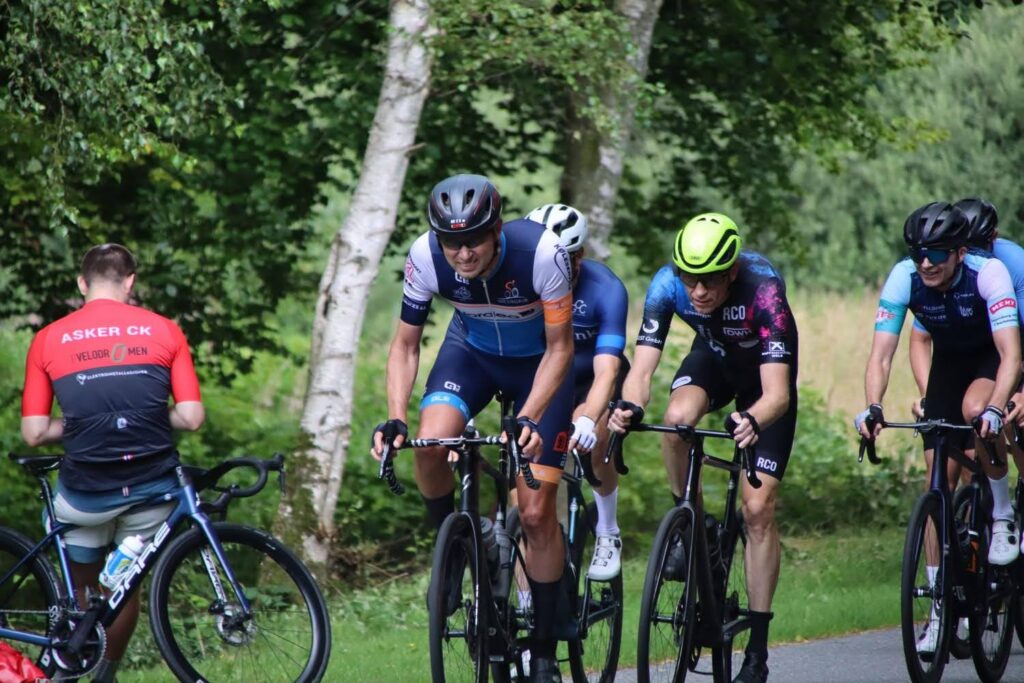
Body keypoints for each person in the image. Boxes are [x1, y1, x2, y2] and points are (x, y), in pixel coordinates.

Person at [371, 174, 574, 682]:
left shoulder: (542, 254)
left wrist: (529, 415)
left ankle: (544, 650)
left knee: (534, 513)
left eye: (474, 241)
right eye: (452, 243)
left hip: (538, 368)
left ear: (497, 229)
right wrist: (396, 417)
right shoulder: (425, 255)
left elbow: (561, 349)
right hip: (472, 357)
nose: (462, 254)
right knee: (430, 444)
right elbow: (405, 346)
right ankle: (457, 549)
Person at [609, 213, 798, 683]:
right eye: (689, 278)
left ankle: (756, 649)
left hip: (763, 382)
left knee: (757, 510)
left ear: (731, 271)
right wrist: (630, 405)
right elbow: (642, 369)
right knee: (676, 422)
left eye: (709, 280)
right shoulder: (666, 284)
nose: (697, 291)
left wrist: (752, 418)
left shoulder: (763, 291)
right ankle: (690, 524)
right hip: (713, 360)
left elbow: (778, 394)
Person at [21, 243, 205, 683]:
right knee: (121, 589)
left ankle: (70, 662)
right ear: (130, 282)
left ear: (82, 284)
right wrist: (141, 416)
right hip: (151, 490)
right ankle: (106, 674)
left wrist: (84, 423)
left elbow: (34, 431)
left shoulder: (48, 338)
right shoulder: (165, 330)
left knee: (83, 589)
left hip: (84, 495)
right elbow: (191, 418)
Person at [856, 201, 1021, 655]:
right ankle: (938, 608)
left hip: (991, 358)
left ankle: (1002, 515)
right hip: (949, 363)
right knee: (937, 482)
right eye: (918, 254)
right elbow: (881, 355)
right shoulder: (903, 277)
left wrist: (997, 407)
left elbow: (1011, 354)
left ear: (960, 252)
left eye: (936, 254)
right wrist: (873, 406)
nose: (925, 263)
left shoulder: (989, 274)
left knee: (976, 410)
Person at [525, 204, 630, 581]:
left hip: (592, 379)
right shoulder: (523, 286)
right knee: (523, 489)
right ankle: (527, 601)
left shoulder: (606, 290)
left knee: (593, 443)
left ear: (579, 257)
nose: (550, 268)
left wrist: (587, 418)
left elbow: (608, 371)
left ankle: (607, 530)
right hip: (546, 382)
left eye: (562, 260)